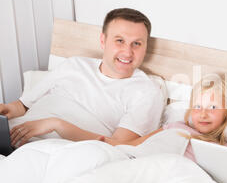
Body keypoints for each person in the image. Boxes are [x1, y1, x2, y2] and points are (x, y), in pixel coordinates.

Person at [0, 8, 165, 148]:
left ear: (145, 48)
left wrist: (55, 125)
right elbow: (22, 106)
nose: (127, 52)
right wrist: (6, 109)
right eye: (120, 41)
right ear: (103, 40)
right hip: (14, 138)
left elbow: (118, 146)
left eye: (136, 43)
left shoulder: (147, 92)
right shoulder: (74, 64)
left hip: (62, 150)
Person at [103, 73, 227, 161]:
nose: (203, 114)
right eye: (197, 106)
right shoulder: (176, 127)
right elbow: (135, 145)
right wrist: (103, 143)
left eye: (213, 107)